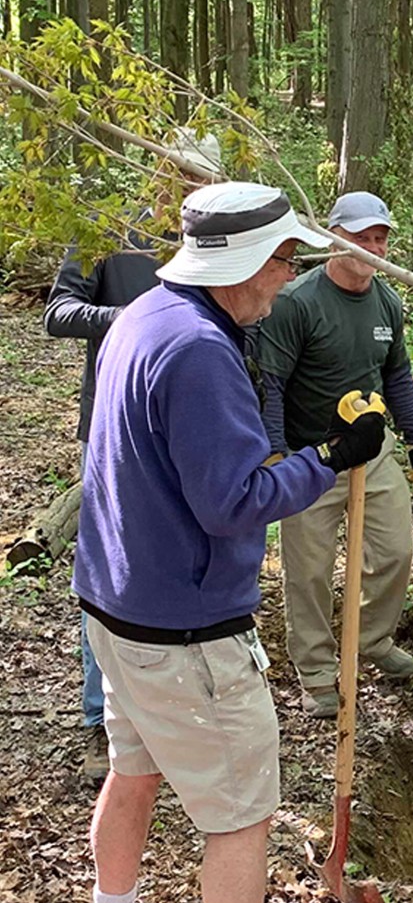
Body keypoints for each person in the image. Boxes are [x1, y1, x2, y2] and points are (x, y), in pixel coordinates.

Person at [70, 181, 385, 903]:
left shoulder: (144, 314)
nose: (288, 280)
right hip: (184, 631)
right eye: (284, 262)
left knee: (133, 771)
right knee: (241, 815)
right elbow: (233, 501)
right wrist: (329, 457)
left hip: (119, 604)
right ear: (242, 262)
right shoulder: (200, 351)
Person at [44, 129, 224, 786]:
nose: (187, 187)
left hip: (191, 428)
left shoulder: (213, 245)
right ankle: (101, 717)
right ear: (156, 172)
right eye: (179, 174)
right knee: (109, 564)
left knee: (183, 559)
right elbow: (59, 312)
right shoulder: (106, 230)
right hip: (114, 426)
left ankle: (173, 715)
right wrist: (131, 317)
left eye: (200, 178)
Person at [255, 190, 413, 718]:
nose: (373, 249)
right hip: (311, 459)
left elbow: (397, 374)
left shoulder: (387, 302)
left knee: (396, 551)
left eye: (380, 239)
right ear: (333, 240)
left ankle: (373, 640)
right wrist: (275, 453)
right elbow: (272, 383)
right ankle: (316, 672)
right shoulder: (298, 303)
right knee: (309, 572)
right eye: (361, 238)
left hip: (371, 453)